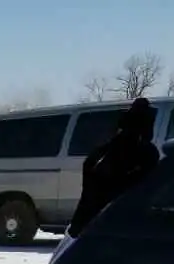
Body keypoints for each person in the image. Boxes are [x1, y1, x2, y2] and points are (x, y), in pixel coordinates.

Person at [66, 97, 161, 241]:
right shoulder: (144, 151)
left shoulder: (110, 148)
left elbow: (90, 170)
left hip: (100, 216)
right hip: (115, 217)